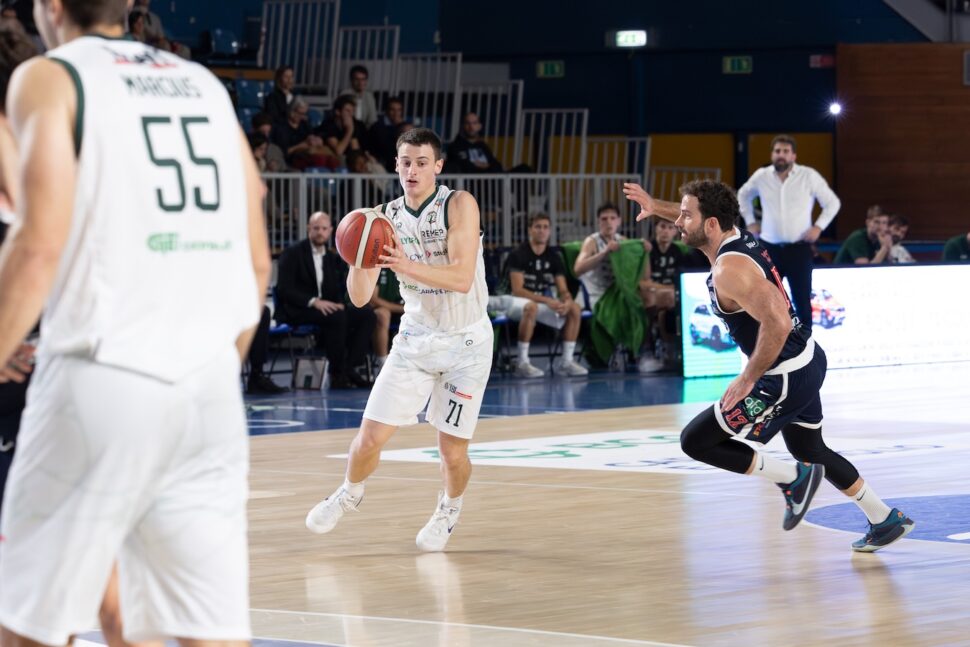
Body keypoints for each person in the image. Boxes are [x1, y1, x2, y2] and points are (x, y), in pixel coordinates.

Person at [0, 2, 271, 645]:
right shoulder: (202, 83)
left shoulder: (50, 77)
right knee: (206, 632)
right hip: (207, 394)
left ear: (52, 8)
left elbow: (37, 247)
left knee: (29, 625)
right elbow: (256, 255)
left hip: (104, 374)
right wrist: (205, 370)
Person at [624, 180, 915, 552]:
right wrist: (655, 205)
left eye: (685, 215)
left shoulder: (730, 270)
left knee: (696, 441)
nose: (678, 222)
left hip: (784, 377)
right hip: (808, 358)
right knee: (811, 448)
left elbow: (776, 322)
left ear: (711, 224)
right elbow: (697, 215)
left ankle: (793, 479)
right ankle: (883, 518)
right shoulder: (734, 234)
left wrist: (748, 377)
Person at [305, 127, 493, 552]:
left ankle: (449, 506)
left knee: (452, 454)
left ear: (438, 166)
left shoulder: (459, 204)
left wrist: (404, 264)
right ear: (395, 164)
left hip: (467, 343)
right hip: (415, 340)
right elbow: (358, 299)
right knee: (367, 439)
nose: (412, 170)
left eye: (422, 162)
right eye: (405, 162)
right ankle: (350, 492)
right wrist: (358, 254)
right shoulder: (381, 219)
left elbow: (462, 278)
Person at [737, 135, 841, 331]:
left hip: (799, 249)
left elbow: (832, 203)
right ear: (772, 154)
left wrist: (819, 227)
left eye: (785, 152)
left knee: (802, 301)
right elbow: (742, 195)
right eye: (777, 151)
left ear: (793, 155)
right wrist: (750, 222)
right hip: (769, 249)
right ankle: (770, 347)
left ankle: (806, 347)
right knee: (767, 300)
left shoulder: (808, 175)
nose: (781, 155)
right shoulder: (762, 176)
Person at [275, 211, 376, 389]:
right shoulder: (292, 253)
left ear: (330, 231)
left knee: (366, 314)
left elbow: (337, 289)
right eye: (316, 228)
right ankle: (337, 375)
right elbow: (284, 289)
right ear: (308, 229)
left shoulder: (332, 258)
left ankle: (350, 368)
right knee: (337, 317)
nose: (320, 232)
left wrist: (341, 304)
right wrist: (314, 301)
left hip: (327, 309)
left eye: (324, 228)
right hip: (299, 309)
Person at [491, 213, 587, 378]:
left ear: (549, 231)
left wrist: (566, 301)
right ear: (530, 230)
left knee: (575, 309)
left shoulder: (554, 257)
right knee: (531, 307)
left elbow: (563, 289)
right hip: (509, 300)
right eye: (538, 227)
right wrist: (549, 300)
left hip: (537, 302)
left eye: (545, 227)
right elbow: (518, 290)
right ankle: (522, 362)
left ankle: (566, 362)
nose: (542, 231)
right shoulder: (518, 254)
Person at [573, 202, 658, 373]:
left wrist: (645, 253)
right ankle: (627, 349)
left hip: (618, 293)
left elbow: (645, 277)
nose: (608, 222)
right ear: (598, 222)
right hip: (596, 294)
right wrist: (604, 253)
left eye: (612, 218)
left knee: (648, 298)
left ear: (619, 221)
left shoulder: (624, 242)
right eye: (604, 219)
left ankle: (644, 351)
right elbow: (578, 269)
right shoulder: (592, 241)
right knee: (630, 307)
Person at [641, 219, 685, 365]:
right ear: (656, 229)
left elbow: (680, 280)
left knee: (665, 311)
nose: (666, 231)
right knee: (651, 297)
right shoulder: (648, 249)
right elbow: (644, 282)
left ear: (675, 231)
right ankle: (647, 350)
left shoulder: (677, 252)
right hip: (653, 294)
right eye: (662, 226)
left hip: (670, 295)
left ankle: (669, 349)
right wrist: (665, 290)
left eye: (670, 227)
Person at [368, 267, 404, 376]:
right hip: (383, 308)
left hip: (408, 309)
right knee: (382, 315)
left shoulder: (412, 260)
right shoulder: (377, 265)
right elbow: (373, 299)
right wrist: (403, 308)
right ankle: (383, 367)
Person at [367, 95, 407, 171]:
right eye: (393, 110)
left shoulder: (403, 126)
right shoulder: (377, 127)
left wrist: (400, 126)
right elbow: (384, 146)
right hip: (381, 163)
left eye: (399, 110)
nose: (396, 113)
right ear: (386, 110)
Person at [340, 63, 378, 128]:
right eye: (357, 79)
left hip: (365, 131)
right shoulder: (345, 94)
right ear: (351, 80)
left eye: (363, 79)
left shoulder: (369, 96)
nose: (360, 83)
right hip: (347, 127)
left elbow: (372, 119)